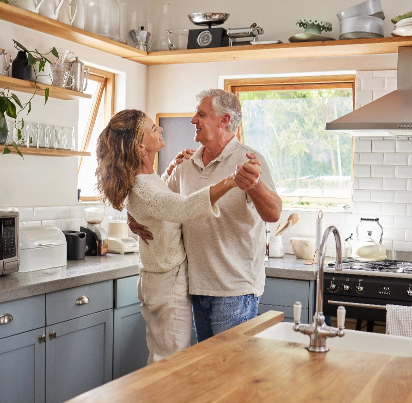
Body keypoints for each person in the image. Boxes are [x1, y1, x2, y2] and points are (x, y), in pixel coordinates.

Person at [96, 109, 257, 363]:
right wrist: (231, 181)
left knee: (165, 357)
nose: (160, 130)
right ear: (139, 148)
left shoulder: (147, 177)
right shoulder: (144, 187)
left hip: (160, 278)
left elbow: (157, 201)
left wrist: (170, 169)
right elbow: (180, 207)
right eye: (153, 129)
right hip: (166, 281)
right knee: (169, 362)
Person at [129, 89, 282, 342]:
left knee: (230, 373)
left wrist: (254, 185)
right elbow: (161, 208)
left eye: (201, 114)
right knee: (209, 373)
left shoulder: (248, 160)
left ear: (223, 120)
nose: (193, 120)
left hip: (235, 291)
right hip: (196, 287)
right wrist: (133, 217)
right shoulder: (186, 165)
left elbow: (274, 213)